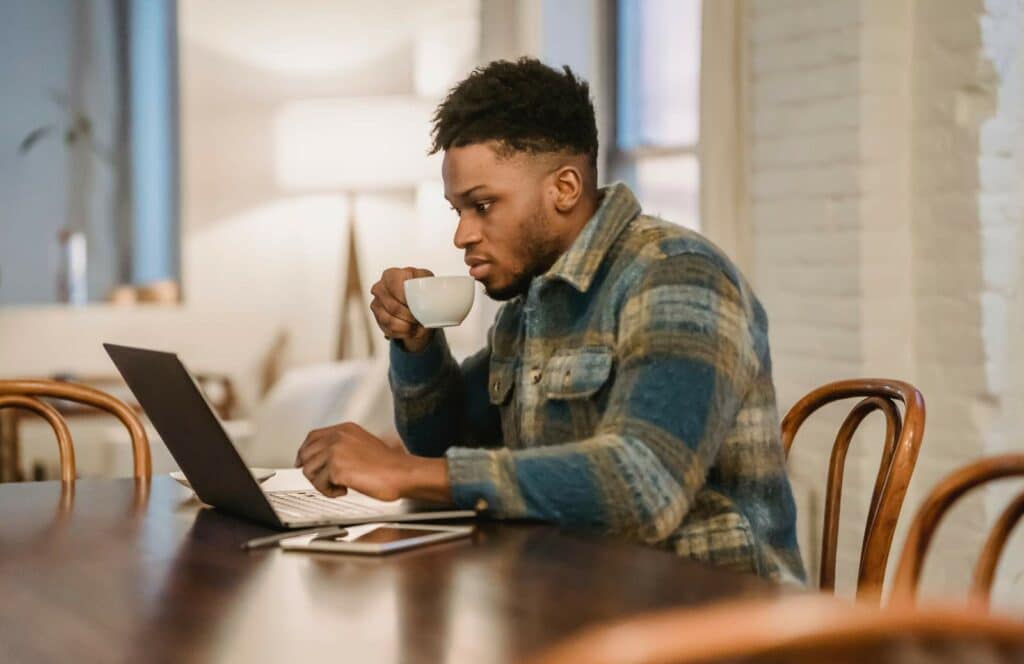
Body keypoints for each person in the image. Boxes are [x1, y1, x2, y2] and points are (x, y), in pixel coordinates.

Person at [296, 57, 804, 583]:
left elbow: (644, 486)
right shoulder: (532, 299)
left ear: (564, 188)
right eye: (458, 211)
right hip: (575, 592)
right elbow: (443, 446)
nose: (462, 235)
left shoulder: (677, 275)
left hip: (713, 615)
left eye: (483, 204)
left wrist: (400, 470)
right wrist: (417, 346)